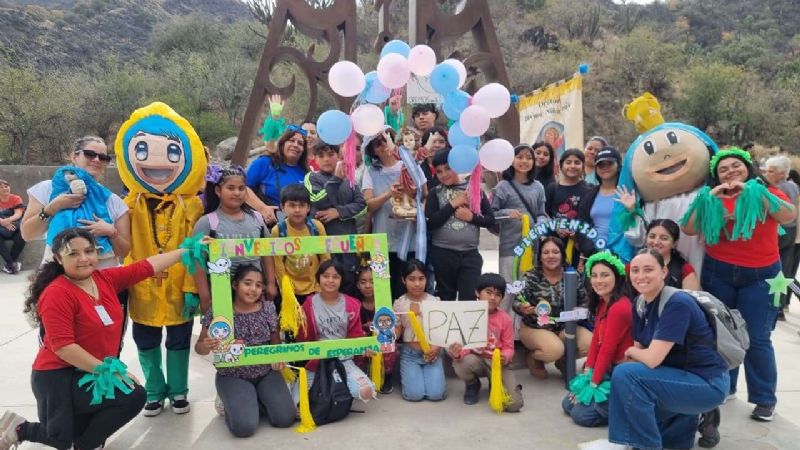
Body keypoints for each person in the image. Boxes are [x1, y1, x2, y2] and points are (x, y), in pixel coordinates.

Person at [0, 227, 199, 450]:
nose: (84, 259)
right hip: (58, 377)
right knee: (62, 438)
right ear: (58, 258)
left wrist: (185, 250)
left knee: (129, 397)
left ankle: (84, 442)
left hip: (88, 371)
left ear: (97, 253)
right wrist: (110, 371)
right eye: (73, 254)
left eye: (89, 251)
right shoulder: (57, 293)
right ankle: (21, 429)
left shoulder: (103, 279)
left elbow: (145, 266)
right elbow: (64, 347)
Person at [682, 147, 796, 421]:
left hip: (761, 275)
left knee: (757, 338)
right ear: (716, 176)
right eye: (723, 169)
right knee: (723, 334)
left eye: (736, 166)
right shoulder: (710, 197)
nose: (730, 171)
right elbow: (689, 227)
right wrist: (709, 198)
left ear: (748, 168)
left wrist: (756, 193)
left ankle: (764, 398)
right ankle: (725, 387)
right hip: (718, 272)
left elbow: (789, 216)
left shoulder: (762, 190)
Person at [609, 249, 729, 450]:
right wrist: (637, 354)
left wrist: (631, 352)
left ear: (663, 272)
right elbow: (643, 351)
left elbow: (652, 358)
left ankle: (646, 446)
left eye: (648, 270)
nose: (640, 276)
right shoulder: (639, 303)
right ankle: (679, 434)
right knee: (626, 396)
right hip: (679, 375)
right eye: (635, 270)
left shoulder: (677, 303)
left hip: (708, 383)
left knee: (625, 375)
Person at [195, 265, 295, 438]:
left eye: (258, 285)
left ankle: (253, 399)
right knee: (245, 428)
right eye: (247, 283)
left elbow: (275, 341)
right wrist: (206, 345)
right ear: (235, 285)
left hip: (265, 372)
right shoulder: (219, 310)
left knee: (285, 419)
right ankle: (228, 400)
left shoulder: (268, 308)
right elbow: (199, 347)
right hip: (233, 374)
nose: (253, 289)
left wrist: (278, 358)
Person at [21, 136, 131, 268]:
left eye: (103, 157)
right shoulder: (48, 189)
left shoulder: (113, 201)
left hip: (103, 277)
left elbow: (124, 252)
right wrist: (52, 208)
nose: (96, 160)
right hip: (58, 275)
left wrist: (111, 232)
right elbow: (27, 234)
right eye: (90, 154)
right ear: (74, 156)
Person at [193, 165, 277, 312]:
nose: (237, 193)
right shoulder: (207, 223)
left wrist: (270, 283)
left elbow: (267, 253)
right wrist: (205, 297)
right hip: (221, 294)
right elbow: (197, 263)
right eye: (231, 188)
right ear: (218, 191)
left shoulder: (257, 218)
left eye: (241, 188)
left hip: (254, 294)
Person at [562, 251, 632, 427]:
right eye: (594, 275)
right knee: (567, 404)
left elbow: (607, 349)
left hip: (619, 372)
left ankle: (622, 409)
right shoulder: (602, 302)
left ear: (617, 277)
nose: (598, 280)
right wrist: (587, 374)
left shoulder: (620, 307)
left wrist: (593, 383)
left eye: (605, 275)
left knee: (580, 415)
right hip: (608, 369)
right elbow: (596, 342)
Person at [297, 260, 377, 402]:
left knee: (366, 392)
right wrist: (299, 322)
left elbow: (356, 336)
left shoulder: (352, 304)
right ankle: (329, 388)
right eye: (326, 276)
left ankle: (338, 388)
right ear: (319, 278)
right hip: (318, 361)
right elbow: (303, 340)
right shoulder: (309, 304)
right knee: (297, 405)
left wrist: (364, 348)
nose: (330, 280)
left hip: (344, 360)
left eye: (335, 277)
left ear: (341, 280)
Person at [512, 236, 591, 379]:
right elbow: (517, 301)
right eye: (546, 252)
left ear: (562, 254)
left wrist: (579, 312)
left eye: (555, 252)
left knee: (590, 343)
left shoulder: (572, 275)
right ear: (540, 256)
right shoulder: (531, 276)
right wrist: (522, 307)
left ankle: (563, 362)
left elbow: (585, 301)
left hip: (565, 326)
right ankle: (534, 358)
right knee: (554, 350)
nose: (551, 256)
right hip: (535, 327)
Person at [362, 127, 426, 299]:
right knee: (383, 291)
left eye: (386, 139)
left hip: (410, 241)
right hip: (381, 244)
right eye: (377, 143)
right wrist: (389, 193)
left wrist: (415, 211)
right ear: (372, 150)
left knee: (409, 290)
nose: (383, 145)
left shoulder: (410, 165)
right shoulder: (370, 172)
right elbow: (368, 205)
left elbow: (425, 195)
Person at [492, 143, 547, 333]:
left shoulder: (538, 187)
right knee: (508, 291)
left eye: (528, 157)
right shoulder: (503, 186)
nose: (524, 161)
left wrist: (540, 224)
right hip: (510, 249)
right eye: (519, 157)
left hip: (532, 250)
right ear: (511, 160)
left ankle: (520, 334)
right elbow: (491, 214)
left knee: (525, 293)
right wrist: (507, 213)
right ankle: (502, 333)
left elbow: (541, 213)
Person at [448, 273, 523, 411]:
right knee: (460, 362)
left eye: (498, 294)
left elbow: (509, 347)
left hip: (498, 363)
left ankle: (494, 382)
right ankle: (472, 384)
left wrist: (504, 356)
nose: (493, 298)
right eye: (488, 292)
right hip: (476, 359)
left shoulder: (505, 319)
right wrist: (457, 353)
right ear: (477, 292)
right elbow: (463, 344)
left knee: (514, 404)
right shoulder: (467, 314)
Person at [426, 149, 495, 300]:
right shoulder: (435, 193)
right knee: (445, 296)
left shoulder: (474, 190)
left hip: (470, 254)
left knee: (469, 297)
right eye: (439, 171)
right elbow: (431, 223)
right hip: (443, 253)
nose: (444, 174)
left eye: (448, 168)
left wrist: (471, 217)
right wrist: (452, 204)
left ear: (457, 166)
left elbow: (490, 220)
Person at [305, 142, 367, 296]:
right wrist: (336, 179)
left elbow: (362, 205)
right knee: (325, 287)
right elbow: (319, 200)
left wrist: (339, 212)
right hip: (323, 248)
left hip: (348, 247)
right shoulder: (312, 177)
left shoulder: (349, 178)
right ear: (315, 159)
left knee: (349, 286)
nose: (326, 159)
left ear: (338, 155)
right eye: (321, 156)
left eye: (331, 155)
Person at [393, 260, 446, 402]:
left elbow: (442, 330)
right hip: (410, 355)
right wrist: (389, 334)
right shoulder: (399, 303)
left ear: (426, 279)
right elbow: (397, 329)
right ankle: (412, 377)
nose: (417, 284)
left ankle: (425, 377)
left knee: (436, 395)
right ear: (403, 280)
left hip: (432, 354)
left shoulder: (435, 302)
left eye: (421, 279)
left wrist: (437, 348)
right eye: (412, 279)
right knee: (414, 395)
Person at [271, 184, 329, 304]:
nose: (297, 210)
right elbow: (278, 264)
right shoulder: (279, 230)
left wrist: (320, 285)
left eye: (302, 205)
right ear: (282, 207)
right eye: (292, 205)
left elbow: (325, 258)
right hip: (290, 288)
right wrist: (286, 289)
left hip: (315, 286)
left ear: (308, 208)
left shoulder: (316, 227)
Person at [246, 128, 309, 226]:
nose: (295, 145)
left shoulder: (306, 172)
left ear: (304, 150)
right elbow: (243, 188)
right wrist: (262, 208)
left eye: (300, 143)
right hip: (268, 224)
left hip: (299, 227)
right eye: (291, 140)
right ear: (282, 143)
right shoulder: (264, 163)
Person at [764, 155, 799, 319]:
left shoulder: (777, 190)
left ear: (782, 173)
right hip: (791, 232)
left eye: (771, 171)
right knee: (785, 271)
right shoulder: (793, 186)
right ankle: (779, 306)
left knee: (773, 269)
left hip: (780, 231)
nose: (766, 174)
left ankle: (774, 305)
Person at [545, 149, 591, 267]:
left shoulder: (589, 189)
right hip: (555, 245)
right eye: (568, 162)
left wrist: (578, 233)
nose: (572, 166)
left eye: (577, 162)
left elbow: (590, 217)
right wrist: (556, 227)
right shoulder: (552, 188)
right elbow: (544, 214)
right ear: (561, 165)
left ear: (583, 166)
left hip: (579, 246)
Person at [355, 265, 397, 394]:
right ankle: (362, 373)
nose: (368, 286)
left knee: (388, 342)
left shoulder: (386, 303)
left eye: (373, 282)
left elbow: (392, 327)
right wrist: (365, 328)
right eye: (363, 282)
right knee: (358, 344)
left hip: (381, 339)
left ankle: (387, 376)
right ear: (357, 285)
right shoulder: (355, 304)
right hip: (364, 341)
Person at [577, 147, 622, 256]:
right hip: (595, 255)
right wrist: (590, 250)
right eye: (601, 164)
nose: (605, 167)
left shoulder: (627, 193)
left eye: (609, 163)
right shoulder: (590, 195)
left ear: (618, 165)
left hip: (622, 253)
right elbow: (582, 226)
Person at [637, 219, 700, 290]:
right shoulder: (634, 265)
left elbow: (691, 299)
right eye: (652, 237)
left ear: (674, 243)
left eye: (664, 238)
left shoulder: (685, 270)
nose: (656, 242)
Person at [0, 179, 25, 274]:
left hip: (13, 226)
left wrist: (8, 220)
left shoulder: (16, 198)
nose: (4, 189)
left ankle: (9, 265)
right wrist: (2, 222)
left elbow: (18, 214)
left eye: (6, 186)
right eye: (1, 187)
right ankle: (11, 263)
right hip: (1, 227)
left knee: (23, 236)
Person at [419, 126, 450, 191]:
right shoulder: (417, 167)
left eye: (441, 142)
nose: (437, 145)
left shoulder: (453, 167)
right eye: (433, 141)